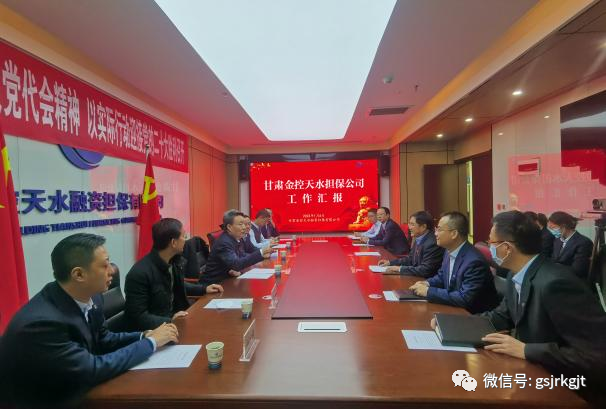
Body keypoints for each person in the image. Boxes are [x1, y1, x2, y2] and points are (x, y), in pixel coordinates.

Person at [0, 233, 179, 407]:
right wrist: (151, 343)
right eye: (105, 265)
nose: (112, 270)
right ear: (79, 275)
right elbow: (91, 370)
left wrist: (144, 335)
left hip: (73, 389)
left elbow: (103, 339)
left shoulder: (92, 296)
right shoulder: (41, 325)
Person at [470, 211, 605, 402]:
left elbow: (594, 354)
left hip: (570, 390)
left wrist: (526, 350)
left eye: (491, 242)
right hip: (535, 374)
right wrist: (453, 324)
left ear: (507, 248)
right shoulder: (516, 273)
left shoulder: (556, 283)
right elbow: (501, 316)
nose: (489, 247)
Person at [124, 218, 223, 331]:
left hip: (177, 322)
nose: (186, 240)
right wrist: (170, 320)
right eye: (184, 236)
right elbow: (138, 318)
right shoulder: (139, 274)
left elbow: (179, 285)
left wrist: (204, 289)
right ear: (173, 243)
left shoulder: (174, 261)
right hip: (157, 332)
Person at [409, 211, 499, 313]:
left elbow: (464, 298)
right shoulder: (449, 251)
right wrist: (426, 283)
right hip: (454, 308)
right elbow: (442, 276)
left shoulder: (474, 262)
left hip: (472, 315)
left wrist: (428, 292)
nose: (435, 233)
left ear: (454, 234)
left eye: (439, 229)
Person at [201, 210, 272, 285]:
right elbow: (236, 264)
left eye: (244, 224)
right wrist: (261, 253)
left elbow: (242, 255)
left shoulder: (235, 238)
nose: (244, 227)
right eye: (240, 224)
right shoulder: (224, 243)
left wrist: (261, 255)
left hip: (228, 280)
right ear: (229, 227)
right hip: (214, 285)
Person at [378, 211, 444, 277]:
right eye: (409, 224)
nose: (409, 227)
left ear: (423, 227)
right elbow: (410, 258)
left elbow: (425, 270)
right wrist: (390, 263)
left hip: (425, 280)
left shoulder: (432, 243)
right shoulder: (420, 237)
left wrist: (399, 269)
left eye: (412, 224)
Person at [547, 211, 593, 280]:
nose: (551, 231)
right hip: (557, 278)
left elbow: (578, 270)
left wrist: (555, 268)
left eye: (553, 228)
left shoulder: (583, 242)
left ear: (563, 227)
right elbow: (553, 259)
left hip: (573, 281)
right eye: (550, 229)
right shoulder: (557, 241)